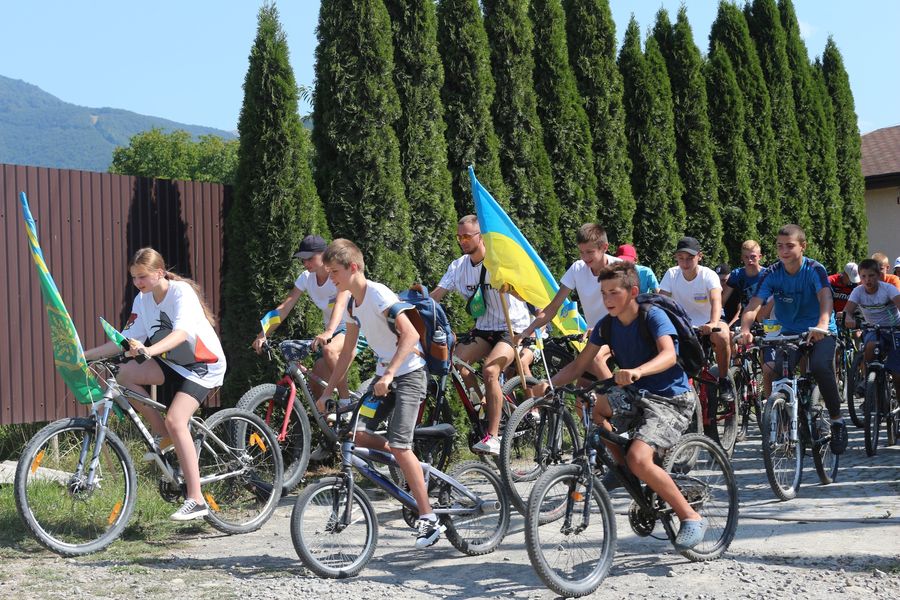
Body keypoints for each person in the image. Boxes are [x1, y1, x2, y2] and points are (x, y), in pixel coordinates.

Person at [533, 262, 707, 549]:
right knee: (594, 409)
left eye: (613, 292)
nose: (607, 300)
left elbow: (668, 355)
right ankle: (626, 471)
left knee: (641, 458)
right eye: (603, 293)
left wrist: (638, 371)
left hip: (670, 398)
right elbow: (579, 364)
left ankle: (690, 516)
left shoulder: (652, 316)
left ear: (632, 292)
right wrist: (549, 386)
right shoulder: (607, 326)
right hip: (636, 395)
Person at [84, 248, 226, 521]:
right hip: (171, 361)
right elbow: (123, 341)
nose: (137, 283)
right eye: (134, 278)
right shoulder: (142, 299)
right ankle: (164, 435)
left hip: (202, 365)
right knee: (124, 376)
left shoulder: (180, 293)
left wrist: (150, 350)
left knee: (177, 419)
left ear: (159, 273)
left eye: (142, 277)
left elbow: (182, 333)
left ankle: (196, 499)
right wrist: (86, 355)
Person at [316, 239, 440, 548]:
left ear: (353, 268)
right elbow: (346, 355)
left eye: (335, 273)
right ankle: (410, 465)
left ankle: (429, 517)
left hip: (408, 375)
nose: (332, 279)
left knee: (399, 443)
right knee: (354, 432)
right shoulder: (353, 304)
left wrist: (388, 373)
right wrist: (327, 391)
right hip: (382, 379)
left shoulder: (378, 293)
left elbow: (411, 334)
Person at [737, 224, 847, 455]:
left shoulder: (814, 269)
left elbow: (825, 297)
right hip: (789, 332)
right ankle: (784, 428)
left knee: (819, 367)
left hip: (821, 330)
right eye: (779, 246)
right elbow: (753, 305)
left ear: (803, 246)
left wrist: (822, 324)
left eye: (790, 246)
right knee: (777, 372)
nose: (784, 251)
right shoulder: (772, 273)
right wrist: (746, 328)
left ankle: (837, 421)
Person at [431, 215, 531, 456]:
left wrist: (511, 288)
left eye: (467, 236)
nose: (462, 241)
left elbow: (527, 293)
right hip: (485, 329)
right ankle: (481, 401)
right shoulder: (458, 266)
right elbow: (436, 296)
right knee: (455, 361)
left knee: (490, 371)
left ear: (480, 236)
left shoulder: (499, 261)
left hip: (512, 328)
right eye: (459, 237)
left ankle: (494, 436)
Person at [251, 234, 353, 402]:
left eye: (309, 258)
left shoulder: (337, 274)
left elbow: (341, 304)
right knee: (315, 383)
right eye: (302, 260)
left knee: (329, 350)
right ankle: (329, 424)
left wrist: (328, 331)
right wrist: (263, 334)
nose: (305, 264)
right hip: (333, 332)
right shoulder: (306, 278)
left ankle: (345, 401)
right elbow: (284, 308)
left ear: (325, 254)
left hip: (353, 327)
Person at [518, 223, 615, 383]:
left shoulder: (618, 268)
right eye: (581, 252)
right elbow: (553, 307)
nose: (585, 258)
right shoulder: (577, 268)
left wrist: (602, 327)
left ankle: (618, 396)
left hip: (619, 332)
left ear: (605, 247)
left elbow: (629, 310)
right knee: (581, 395)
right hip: (595, 337)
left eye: (590, 252)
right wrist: (527, 331)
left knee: (596, 359)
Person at [659, 237, 733, 401]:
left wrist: (713, 323)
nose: (685, 263)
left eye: (690, 258)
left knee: (721, 335)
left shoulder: (709, 275)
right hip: (683, 325)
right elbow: (661, 301)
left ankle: (724, 379)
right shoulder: (671, 274)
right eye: (681, 258)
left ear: (700, 256)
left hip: (709, 321)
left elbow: (716, 300)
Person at [842, 258, 900, 400]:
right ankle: (869, 378)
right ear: (860, 277)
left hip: (894, 329)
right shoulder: (858, 291)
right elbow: (847, 311)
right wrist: (848, 318)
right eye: (863, 276)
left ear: (879, 276)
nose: (867, 280)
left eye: (871, 275)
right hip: (872, 329)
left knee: (897, 373)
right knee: (870, 345)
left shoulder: (888, 289)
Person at [721, 240, 767, 326]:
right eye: (746, 257)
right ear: (742, 257)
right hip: (744, 317)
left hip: (765, 318)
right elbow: (722, 301)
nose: (749, 260)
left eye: (753, 257)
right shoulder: (736, 275)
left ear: (760, 257)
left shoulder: (768, 275)